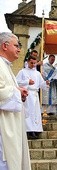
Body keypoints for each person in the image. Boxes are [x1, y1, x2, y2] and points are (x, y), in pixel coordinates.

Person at [0, 32, 31, 170]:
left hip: (11, 123)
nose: (19, 49)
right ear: (5, 46)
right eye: (16, 45)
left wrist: (19, 92)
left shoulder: (6, 66)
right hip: (3, 127)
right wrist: (17, 92)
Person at [16, 56, 50, 139]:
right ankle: (28, 130)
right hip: (27, 94)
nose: (33, 65)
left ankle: (35, 129)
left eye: (35, 63)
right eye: (32, 63)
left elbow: (41, 84)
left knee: (35, 113)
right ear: (27, 62)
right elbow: (16, 82)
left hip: (34, 94)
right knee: (28, 112)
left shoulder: (37, 73)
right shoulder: (22, 72)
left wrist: (46, 83)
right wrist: (27, 82)